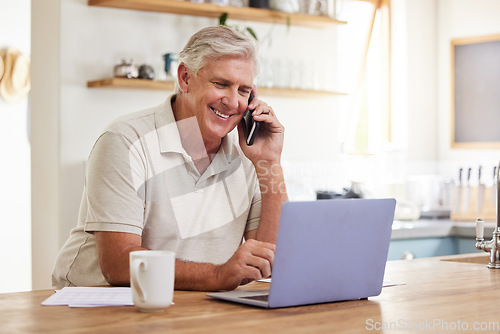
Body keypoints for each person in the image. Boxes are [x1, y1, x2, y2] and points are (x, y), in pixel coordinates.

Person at [52, 25, 288, 291]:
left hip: (192, 305)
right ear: (185, 77)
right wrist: (217, 275)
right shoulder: (125, 140)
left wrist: (270, 163)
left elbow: (270, 258)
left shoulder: (249, 155)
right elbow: (118, 264)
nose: (233, 102)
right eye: (221, 84)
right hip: (100, 308)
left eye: (244, 91)